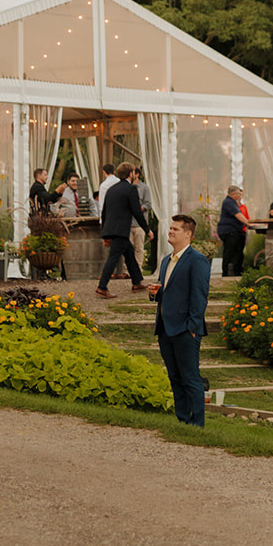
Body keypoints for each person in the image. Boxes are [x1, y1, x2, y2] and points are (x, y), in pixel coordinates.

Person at [149, 213, 210, 426]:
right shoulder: (166, 260)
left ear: (188, 234)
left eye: (175, 229)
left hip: (186, 329)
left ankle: (197, 423)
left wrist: (192, 328)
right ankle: (182, 419)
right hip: (165, 328)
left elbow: (200, 296)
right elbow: (165, 294)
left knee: (190, 378)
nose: (171, 231)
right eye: (171, 228)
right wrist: (154, 294)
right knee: (174, 377)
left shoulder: (197, 260)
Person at [95, 163, 149, 298]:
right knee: (113, 258)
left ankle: (137, 282)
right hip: (121, 230)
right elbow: (137, 212)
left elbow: (104, 212)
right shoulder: (131, 189)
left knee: (130, 254)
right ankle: (102, 287)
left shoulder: (111, 189)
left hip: (113, 229)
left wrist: (105, 232)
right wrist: (147, 230)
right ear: (130, 174)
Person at [217, 184, 247, 277]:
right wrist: (248, 223)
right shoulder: (229, 202)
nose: (239, 196)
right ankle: (226, 272)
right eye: (238, 194)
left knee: (236, 251)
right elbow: (238, 215)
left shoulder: (233, 202)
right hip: (229, 231)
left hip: (235, 231)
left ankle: (236, 271)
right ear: (233, 193)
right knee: (229, 251)